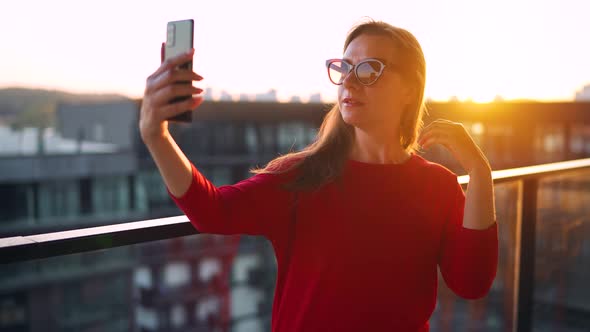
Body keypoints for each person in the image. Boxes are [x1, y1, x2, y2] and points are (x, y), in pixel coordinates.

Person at [139, 19, 498, 332]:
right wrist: (157, 136)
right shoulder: (302, 177)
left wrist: (480, 172)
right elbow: (211, 209)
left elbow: (471, 283)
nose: (350, 83)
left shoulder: (437, 186)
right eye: (345, 68)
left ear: (409, 88)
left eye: (369, 69)